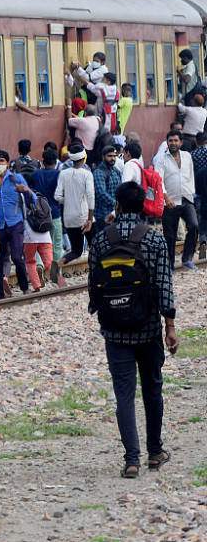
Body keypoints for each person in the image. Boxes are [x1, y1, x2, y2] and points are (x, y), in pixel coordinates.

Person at [88, 182, 177, 478]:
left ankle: (131, 460)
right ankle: (154, 452)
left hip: (114, 331)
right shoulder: (154, 240)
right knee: (152, 389)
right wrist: (170, 326)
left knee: (124, 395)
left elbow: (93, 287)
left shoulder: (101, 240)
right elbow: (164, 286)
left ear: (118, 205)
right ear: (142, 207)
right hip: (148, 329)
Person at [0, 149, 35, 300]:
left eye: (2, 161)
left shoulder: (16, 178)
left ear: (7, 163)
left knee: (16, 256)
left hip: (15, 223)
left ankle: (24, 287)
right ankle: (0, 293)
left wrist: (26, 190)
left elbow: (33, 198)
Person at [154, 130, 199, 269]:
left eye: (175, 140)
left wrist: (192, 194)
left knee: (194, 226)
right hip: (170, 202)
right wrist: (166, 198)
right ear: (167, 142)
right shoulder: (161, 158)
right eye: (170, 141)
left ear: (181, 142)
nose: (173, 143)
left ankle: (187, 259)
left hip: (186, 199)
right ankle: (170, 265)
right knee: (170, 235)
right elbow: (158, 181)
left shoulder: (187, 156)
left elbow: (191, 175)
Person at [55, 144, 95, 267]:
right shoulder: (87, 174)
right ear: (84, 158)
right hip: (84, 218)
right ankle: (96, 270)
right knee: (96, 247)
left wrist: (68, 200)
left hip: (69, 219)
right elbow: (90, 197)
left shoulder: (63, 173)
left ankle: (59, 263)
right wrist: (89, 219)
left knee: (76, 251)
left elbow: (57, 197)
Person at [32, 149, 66, 286]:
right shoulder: (59, 174)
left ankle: (39, 265)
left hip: (38, 214)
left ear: (43, 161)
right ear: (56, 161)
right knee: (56, 245)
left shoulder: (35, 174)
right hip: (55, 214)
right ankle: (57, 274)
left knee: (40, 244)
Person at [22, 172, 53, 293]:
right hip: (45, 234)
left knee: (30, 261)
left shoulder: (21, 198)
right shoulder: (41, 196)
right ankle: (60, 281)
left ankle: (36, 286)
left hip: (29, 236)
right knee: (49, 262)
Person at [92, 145, 122, 234]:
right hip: (102, 215)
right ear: (103, 157)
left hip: (115, 214)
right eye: (110, 156)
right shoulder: (98, 172)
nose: (113, 158)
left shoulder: (116, 171)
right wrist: (116, 203)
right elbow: (101, 193)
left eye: (114, 156)